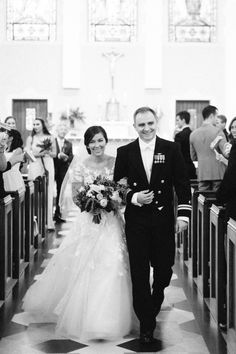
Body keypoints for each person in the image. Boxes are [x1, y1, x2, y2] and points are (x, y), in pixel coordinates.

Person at [22, 125, 132, 341]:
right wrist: (92, 202)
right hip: (89, 222)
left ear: (106, 140)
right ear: (87, 144)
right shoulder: (81, 166)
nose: (97, 145)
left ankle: (109, 318)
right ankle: (87, 317)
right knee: (87, 265)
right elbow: (75, 196)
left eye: (100, 140)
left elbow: (123, 191)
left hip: (112, 221)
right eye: (92, 142)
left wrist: (110, 201)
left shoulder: (116, 162)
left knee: (113, 264)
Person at [114, 107, 191, 345]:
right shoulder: (125, 151)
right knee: (139, 272)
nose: (146, 129)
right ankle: (147, 323)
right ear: (134, 126)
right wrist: (134, 198)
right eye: (141, 125)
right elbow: (118, 185)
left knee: (164, 269)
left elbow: (182, 184)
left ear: (156, 122)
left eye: (150, 123)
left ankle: (155, 300)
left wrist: (183, 216)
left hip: (162, 220)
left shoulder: (171, 148)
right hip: (136, 221)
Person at [25, 118, 56, 230]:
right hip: (34, 164)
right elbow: (27, 152)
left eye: (37, 124)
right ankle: (33, 221)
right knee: (33, 192)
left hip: (47, 163)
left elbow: (55, 153)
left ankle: (48, 221)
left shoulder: (51, 137)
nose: (35, 126)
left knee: (48, 191)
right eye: (33, 124)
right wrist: (36, 154)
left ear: (42, 125)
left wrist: (47, 152)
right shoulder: (30, 138)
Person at [190, 105, 227, 191]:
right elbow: (226, 152)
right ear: (211, 116)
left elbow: (193, 157)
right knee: (217, 202)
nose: (217, 119)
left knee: (202, 201)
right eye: (216, 116)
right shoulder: (218, 131)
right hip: (218, 174)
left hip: (202, 174)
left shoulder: (193, 134)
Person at [53, 122, 73, 223]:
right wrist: (58, 155)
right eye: (61, 129)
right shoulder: (52, 141)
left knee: (60, 192)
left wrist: (66, 158)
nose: (63, 131)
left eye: (64, 130)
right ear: (57, 130)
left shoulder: (69, 143)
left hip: (63, 171)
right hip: (53, 169)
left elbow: (71, 156)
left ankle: (58, 213)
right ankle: (48, 213)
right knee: (50, 191)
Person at [0, 131, 24, 198]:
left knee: (15, 197)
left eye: (6, 135)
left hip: (12, 174)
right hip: (5, 173)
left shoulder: (18, 149)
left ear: (11, 138)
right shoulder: (4, 148)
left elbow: (12, 160)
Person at [174, 111, 197, 179]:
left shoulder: (179, 135)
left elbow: (177, 153)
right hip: (191, 166)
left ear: (183, 120)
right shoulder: (193, 133)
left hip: (182, 166)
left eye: (178, 120)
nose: (176, 122)